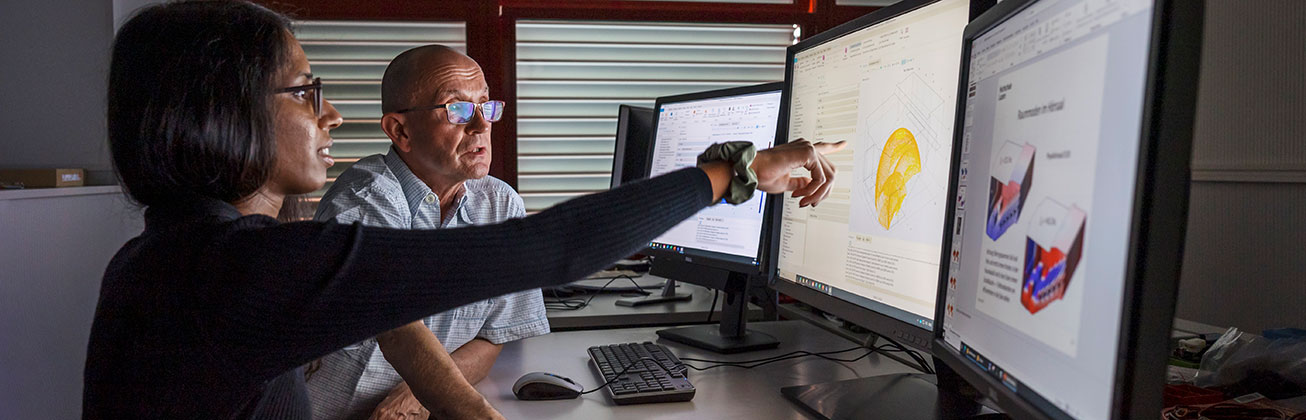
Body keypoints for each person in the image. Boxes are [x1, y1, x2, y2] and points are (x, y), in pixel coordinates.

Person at [85, 1, 843, 418]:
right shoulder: (240, 273)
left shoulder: (174, 254)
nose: (331, 115)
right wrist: (733, 171)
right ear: (230, 112)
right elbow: (555, 248)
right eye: (307, 90)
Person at [307, 45, 546, 420]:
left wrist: (417, 395)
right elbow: (398, 331)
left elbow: (492, 337)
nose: (481, 125)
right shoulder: (363, 200)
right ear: (400, 130)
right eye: (457, 109)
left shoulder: (501, 205)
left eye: (485, 105)